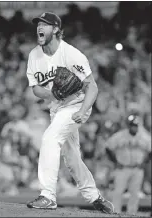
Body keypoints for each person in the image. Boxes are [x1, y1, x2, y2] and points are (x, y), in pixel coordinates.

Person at [25, 12, 114, 213]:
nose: (39, 27)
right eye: (38, 24)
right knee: (72, 159)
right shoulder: (34, 56)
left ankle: (47, 195)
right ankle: (94, 196)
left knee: (50, 138)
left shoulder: (71, 54)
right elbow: (35, 89)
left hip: (77, 104)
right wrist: (51, 94)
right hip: (56, 108)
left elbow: (92, 87)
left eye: (44, 24)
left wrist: (83, 111)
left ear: (55, 29)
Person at [105, 114, 151, 214]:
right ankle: (115, 212)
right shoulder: (120, 135)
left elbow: (150, 150)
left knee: (135, 193)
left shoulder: (144, 136)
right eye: (132, 125)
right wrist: (115, 161)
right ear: (129, 125)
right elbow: (108, 147)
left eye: (136, 125)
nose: (134, 127)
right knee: (118, 191)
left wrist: (145, 162)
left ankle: (132, 213)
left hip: (137, 169)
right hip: (123, 168)